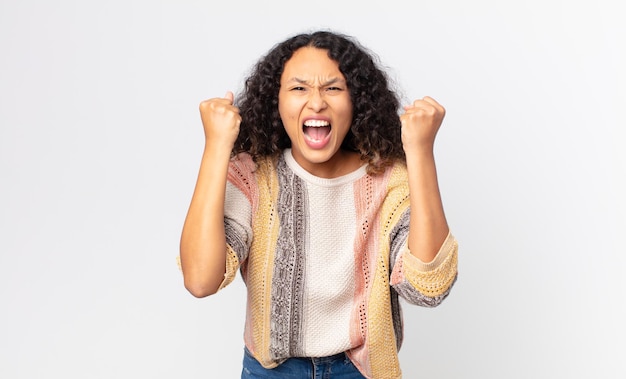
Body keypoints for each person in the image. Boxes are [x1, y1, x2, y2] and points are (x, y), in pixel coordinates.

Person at [179, 30, 458, 379]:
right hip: (271, 371)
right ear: (275, 102)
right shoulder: (254, 175)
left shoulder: (391, 179)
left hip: (361, 371)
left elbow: (426, 289)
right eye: (298, 88)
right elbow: (200, 280)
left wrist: (420, 153)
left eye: (333, 88)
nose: (316, 103)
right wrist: (216, 148)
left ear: (356, 101)